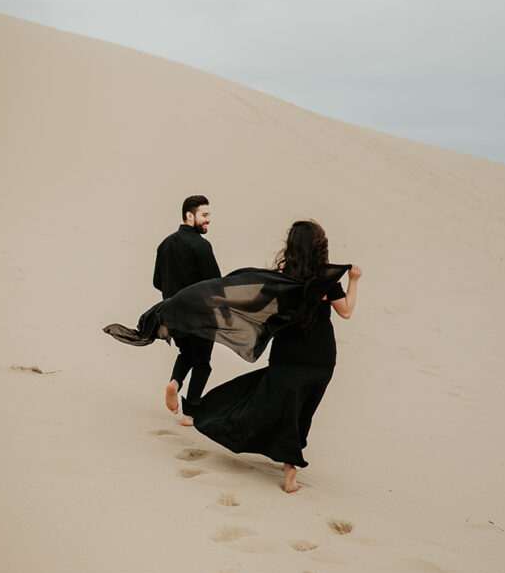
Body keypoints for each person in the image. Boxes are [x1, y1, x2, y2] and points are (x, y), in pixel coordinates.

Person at [190, 220, 361, 493]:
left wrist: (223, 300)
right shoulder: (327, 278)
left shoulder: (283, 276)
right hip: (321, 356)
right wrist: (353, 281)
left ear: (291, 246)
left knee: (280, 403)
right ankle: (290, 462)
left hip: (288, 351)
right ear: (320, 247)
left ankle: (286, 459)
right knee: (303, 408)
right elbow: (347, 311)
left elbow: (255, 304)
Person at [153, 195, 221, 426]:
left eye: (209, 215)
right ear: (189, 216)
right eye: (204, 215)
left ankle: (174, 383)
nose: (208, 220)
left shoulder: (165, 244)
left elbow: (156, 282)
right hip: (200, 315)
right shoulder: (201, 246)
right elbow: (215, 284)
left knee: (187, 354)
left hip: (173, 314)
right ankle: (190, 413)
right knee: (202, 363)